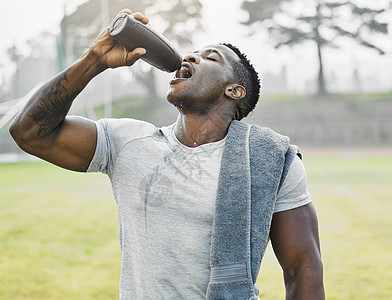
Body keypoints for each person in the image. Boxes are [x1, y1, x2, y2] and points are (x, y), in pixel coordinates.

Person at [9, 9, 325, 300]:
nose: (189, 56)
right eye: (192, 54)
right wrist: (94, 60)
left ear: (233, 90)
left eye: (210, 58)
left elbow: (303, 269)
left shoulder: (269, 161)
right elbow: (29, 132)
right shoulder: (126, 141)